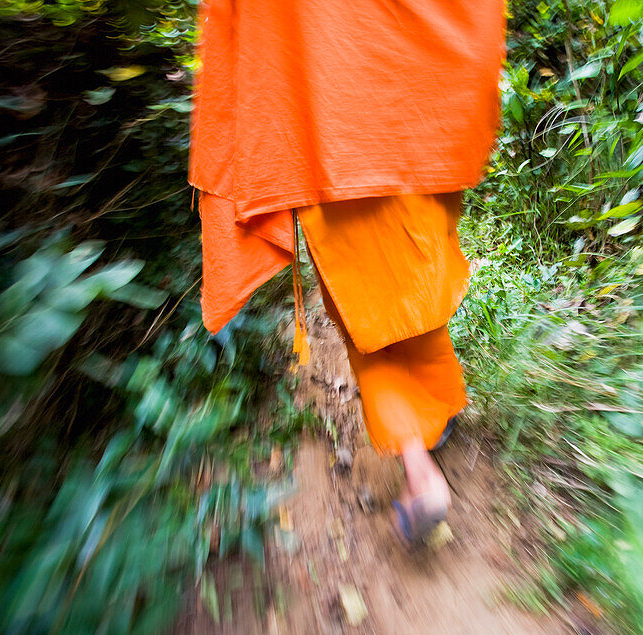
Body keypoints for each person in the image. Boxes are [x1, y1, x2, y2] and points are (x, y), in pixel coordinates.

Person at [189, 1, 505, 544]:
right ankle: (437, 415)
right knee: (416, 294)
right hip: (413, 131)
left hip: (330, 146)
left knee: (370, 328)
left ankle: (421, 475)